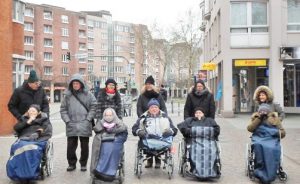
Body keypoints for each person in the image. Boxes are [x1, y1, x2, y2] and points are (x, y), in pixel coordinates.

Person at [60, 73, 97, 172]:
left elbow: (94, 107)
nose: (75, 85)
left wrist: (88, 119)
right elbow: (63, 109)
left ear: (81, 84)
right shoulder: (67, 96)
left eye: (77, 83)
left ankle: (83, 164)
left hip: (85, 123)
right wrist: (67, 120)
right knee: (71, 146)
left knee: (84, 146)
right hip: (71, 124)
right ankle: (71, 164)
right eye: (73, 83)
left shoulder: (88, 95)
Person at [132, 98, 177, 168]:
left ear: (158, 108)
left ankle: (158, 161)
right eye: (152, 107)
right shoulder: (143, 117)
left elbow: (174, 129)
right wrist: (139, 131)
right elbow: (134, 128)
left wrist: (170, 131)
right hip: (147, 140)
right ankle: (149, 161)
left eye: (156, 107)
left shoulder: (165, 117)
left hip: (162, 141)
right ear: (148, 109)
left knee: (162, 143)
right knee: (146, 142)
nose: (154, 109)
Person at [177, 107, 220, 173]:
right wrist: (191, 131)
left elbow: (217, 130)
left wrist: (195, 130)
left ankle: (211, 171)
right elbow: (182, 128)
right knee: (196, 150)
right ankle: (195, 170)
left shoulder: (210, 120)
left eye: (200, 112)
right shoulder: (190, 120)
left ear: (203, 114)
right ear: (194, 114)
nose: (198, 114)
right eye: (196, 113)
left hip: (208, 141)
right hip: (193, 142)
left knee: (210, 149)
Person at [90, 108, 128, 181]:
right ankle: (99, 170)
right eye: (106, 115)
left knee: (112, 148)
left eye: (110, 115)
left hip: (115, 143)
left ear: (114, 115)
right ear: (104, 116)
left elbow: (124, 136)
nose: (108, 117)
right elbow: (97, 135)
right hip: (103, 143)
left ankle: (110, 172)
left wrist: (114, 134)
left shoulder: (120, 124)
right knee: (102, 149)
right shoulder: (100, 124)